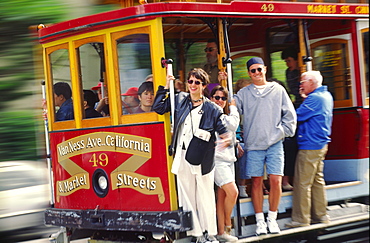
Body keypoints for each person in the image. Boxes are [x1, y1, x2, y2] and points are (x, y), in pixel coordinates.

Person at [153, 68, 231, 243]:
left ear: (203, 86)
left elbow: (224, 132)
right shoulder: (179, 99)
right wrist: (166, 85)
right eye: (190, 81)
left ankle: (209, 233)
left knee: (205, 196)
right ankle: (196, 234)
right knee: (188, 197)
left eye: (197, 82)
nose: (193, 85)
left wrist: (226, 140)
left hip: (202, 158)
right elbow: (158, 107)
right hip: (182, 157)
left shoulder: (212, 108)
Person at [234, 57, 297, 235]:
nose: (256, 73)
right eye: (253, 70)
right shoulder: (244, 94)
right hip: (254, 145)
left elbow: (290, 115)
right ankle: (260, 221)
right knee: (256, 182)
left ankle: (272, 219)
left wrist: (282, 132)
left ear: (265, 69)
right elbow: (232, 109)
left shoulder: (277, 90)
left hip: (275, 144)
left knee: (276, 180)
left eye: (259, 69)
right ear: (249, 73)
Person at [285, 71, 333, 228]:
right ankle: (321, 215)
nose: (301, 85)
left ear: (312, 82)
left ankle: (301, 219)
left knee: (302, 182)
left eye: (303, 82)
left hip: (309, 145)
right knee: (317, 181)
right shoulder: (326, 96)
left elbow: (296, 116)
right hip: (320, 145)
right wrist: (306, 99)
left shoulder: (314, 99)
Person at [210, 85, 240, 242]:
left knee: (222, 197)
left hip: (228, 159)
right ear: (211, 99)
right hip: (217, 159)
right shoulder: (215, 114)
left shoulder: (221, 113)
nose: (220, 101)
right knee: (233, 192)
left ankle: (221, 232)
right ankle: (228, 224)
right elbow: (233, 124)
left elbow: (231, 134)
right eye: (217, 97)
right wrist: (233, 108)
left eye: (223, 98)